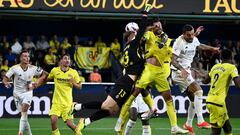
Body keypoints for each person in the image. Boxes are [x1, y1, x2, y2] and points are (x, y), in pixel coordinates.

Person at [68, 4, 152, 134]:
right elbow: (142, 32)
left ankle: (85, 122)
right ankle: (78, 106)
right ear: (132, 33)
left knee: (112, 110)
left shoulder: (130, 47)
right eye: (135, 32)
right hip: (126, 82)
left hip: (130, 84)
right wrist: (145, 14)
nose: (138, 34)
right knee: (106, 106)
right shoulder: (133, 44)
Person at [115, 19, 188, 134]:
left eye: (159, 26)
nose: (158, 27)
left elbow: (179, 43)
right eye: (156, 26)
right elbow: (142, 37)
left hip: (161, 74)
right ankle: (121, 121)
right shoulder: (149, 35)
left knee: (168, 99)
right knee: (135, 94)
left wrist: (191, 39)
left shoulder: (168, 41)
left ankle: (173, 126)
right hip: (148, 71)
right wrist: (148, 30)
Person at [171, 24, 220, 135]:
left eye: (192, 34)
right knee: (199, 91)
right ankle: (200, 120)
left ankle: (188, 124)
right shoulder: (179, 43)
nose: (191, 37)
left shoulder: (193, 38)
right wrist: (181, 69)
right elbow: (172, 60)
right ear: (183, 34)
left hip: (186, 71)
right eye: (188, 35)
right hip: (179, 72)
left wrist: (213, 49)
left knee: (193, 100)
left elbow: (199, 45)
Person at [2, 50, 48, 135]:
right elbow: (5, 78)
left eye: (28, 56)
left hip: (28, 92)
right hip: (16, 94)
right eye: (25, 56)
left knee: (24, 110)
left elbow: (45, 74)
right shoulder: (14, 68)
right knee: (24, 117)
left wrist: (36, 84)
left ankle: (20, 132)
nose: (27, 58)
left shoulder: (33, 68)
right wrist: (6, 83)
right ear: (20, 58)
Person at [35, 54, 82, 135]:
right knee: (53, 121)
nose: (67, 60)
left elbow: (79, 87)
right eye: (65, 58)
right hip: (57, 102)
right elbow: (46, 79)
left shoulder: (73, 72)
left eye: (68, 59)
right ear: (61, 61)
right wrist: (37, 83)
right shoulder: (55, 70)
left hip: (68, 103)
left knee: (70, 124)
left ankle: (79, 133)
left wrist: (73, 82)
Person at [202, 49, 240, 135]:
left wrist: (204, 76)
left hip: (211, 100)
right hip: (218, 103)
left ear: (220, 57)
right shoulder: (232, 67)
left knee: (228, 128)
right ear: (231, 57)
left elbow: (205, 81)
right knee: (216, 132)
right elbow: (238, 85)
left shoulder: (215, 67)